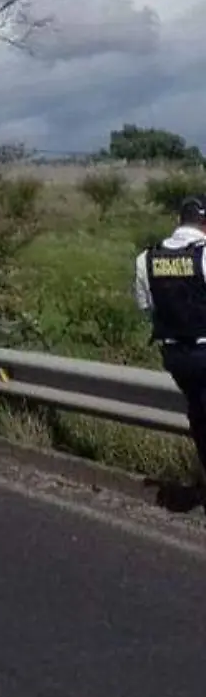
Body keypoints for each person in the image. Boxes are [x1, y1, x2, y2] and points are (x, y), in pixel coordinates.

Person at [133, 194, 206, 493]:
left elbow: (145, 305)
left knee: (200, 414)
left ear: (179, 221)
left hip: (175, 355)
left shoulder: (146, 258)